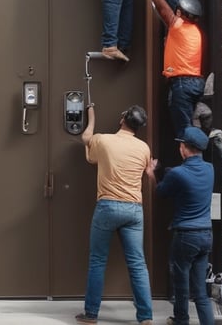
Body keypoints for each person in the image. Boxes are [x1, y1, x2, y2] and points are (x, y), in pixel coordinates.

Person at [75, 104, 154, 325]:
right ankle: (146, 317)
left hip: (108, 206)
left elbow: (86, 139)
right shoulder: (144, 148)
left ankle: (91, 314)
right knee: (138, 264)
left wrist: (91, 116)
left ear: (122, 119)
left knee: (98, 261)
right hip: (134, 209)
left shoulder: (104, 140)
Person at [146, 126, 214, 325]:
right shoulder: (210, 169)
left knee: (181, 282)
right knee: (200, 290)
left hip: (186, 234)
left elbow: (161, 192)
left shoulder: (178, 174)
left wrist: (151, 173)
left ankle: (181, 320)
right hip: (206, 234)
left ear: (184, 148)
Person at [135, 0, 205, 138]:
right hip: (194, 83)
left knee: (184, 132)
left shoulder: (179, 26)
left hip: (183, 84)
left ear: (180, 12)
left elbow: (163, 8)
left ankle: (191, 162)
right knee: (189, 127)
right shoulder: (195, 32)